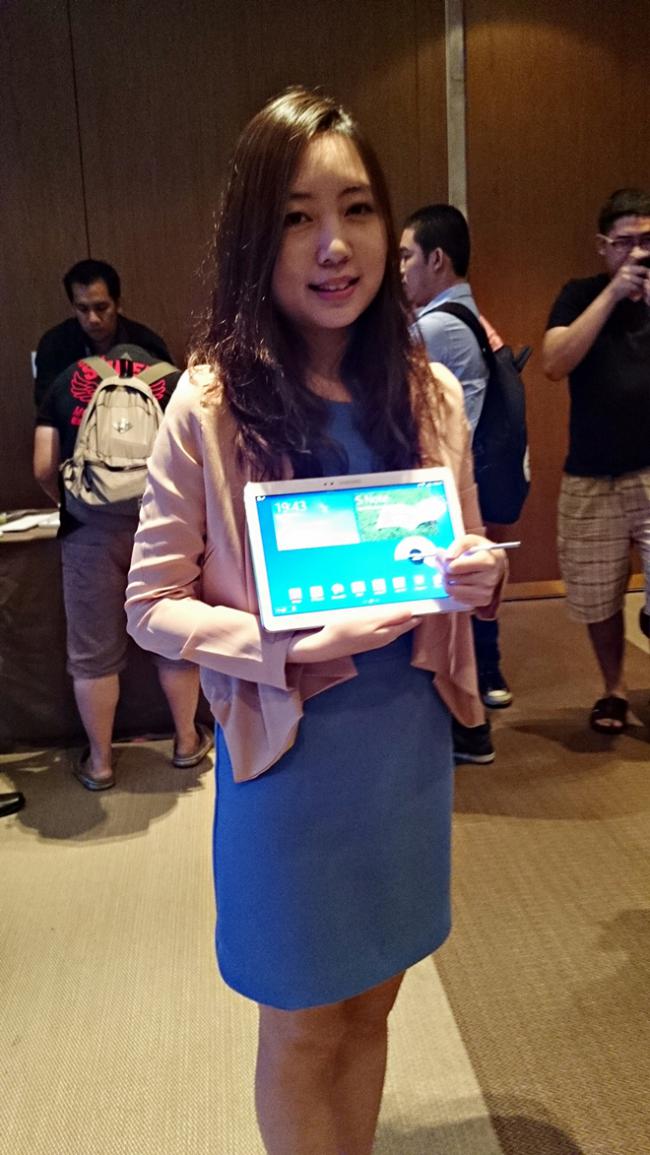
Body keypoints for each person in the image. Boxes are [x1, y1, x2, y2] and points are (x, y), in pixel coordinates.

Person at [125, 87, 506, 1155]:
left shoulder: (428, 392)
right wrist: (277, 643)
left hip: (403, 753)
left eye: (357, 210)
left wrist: (475, 574)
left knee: (374, 1002)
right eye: (298, 217)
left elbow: (461, 554)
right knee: (301, 1025)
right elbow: (149, 606)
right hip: (288, 768)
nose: (333, 246)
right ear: (258, 236)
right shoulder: (209, 406)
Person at [33, 344, 212, 790]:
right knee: (173, 637)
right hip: (162, 531)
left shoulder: (68, 379)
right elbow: (203, 466)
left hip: (88, 533)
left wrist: (73, 505)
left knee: (93, 654)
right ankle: (187, 741)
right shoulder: (175, 382)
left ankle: (100, 763)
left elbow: (42, 466)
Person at [400, 204, 512, 765]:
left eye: (406, 256)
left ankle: (470, 722)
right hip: (480, 470)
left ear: (436, 259)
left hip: (448, 477)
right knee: (472, 578)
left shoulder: (433, 327)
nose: (399, 270)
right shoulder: (472, 316)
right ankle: (486, 688)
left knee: (455, 587)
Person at [543, 187, 650, 734]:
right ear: (603, 245)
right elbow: (554, 362)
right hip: (591, 474)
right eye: (626, 242)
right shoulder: (579, 295)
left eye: (648, 241)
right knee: (598, 595)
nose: (639, 253)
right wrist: (612, 294)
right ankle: (614, 690)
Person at [34, 259, 172, 408]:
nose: (92, 319)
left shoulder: (146, 343)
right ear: (73, 307)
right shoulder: (54, 345)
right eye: (83, 309)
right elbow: (45, 407)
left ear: (117, 304)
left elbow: (170, 401)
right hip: (74, 421)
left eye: (101, 308)